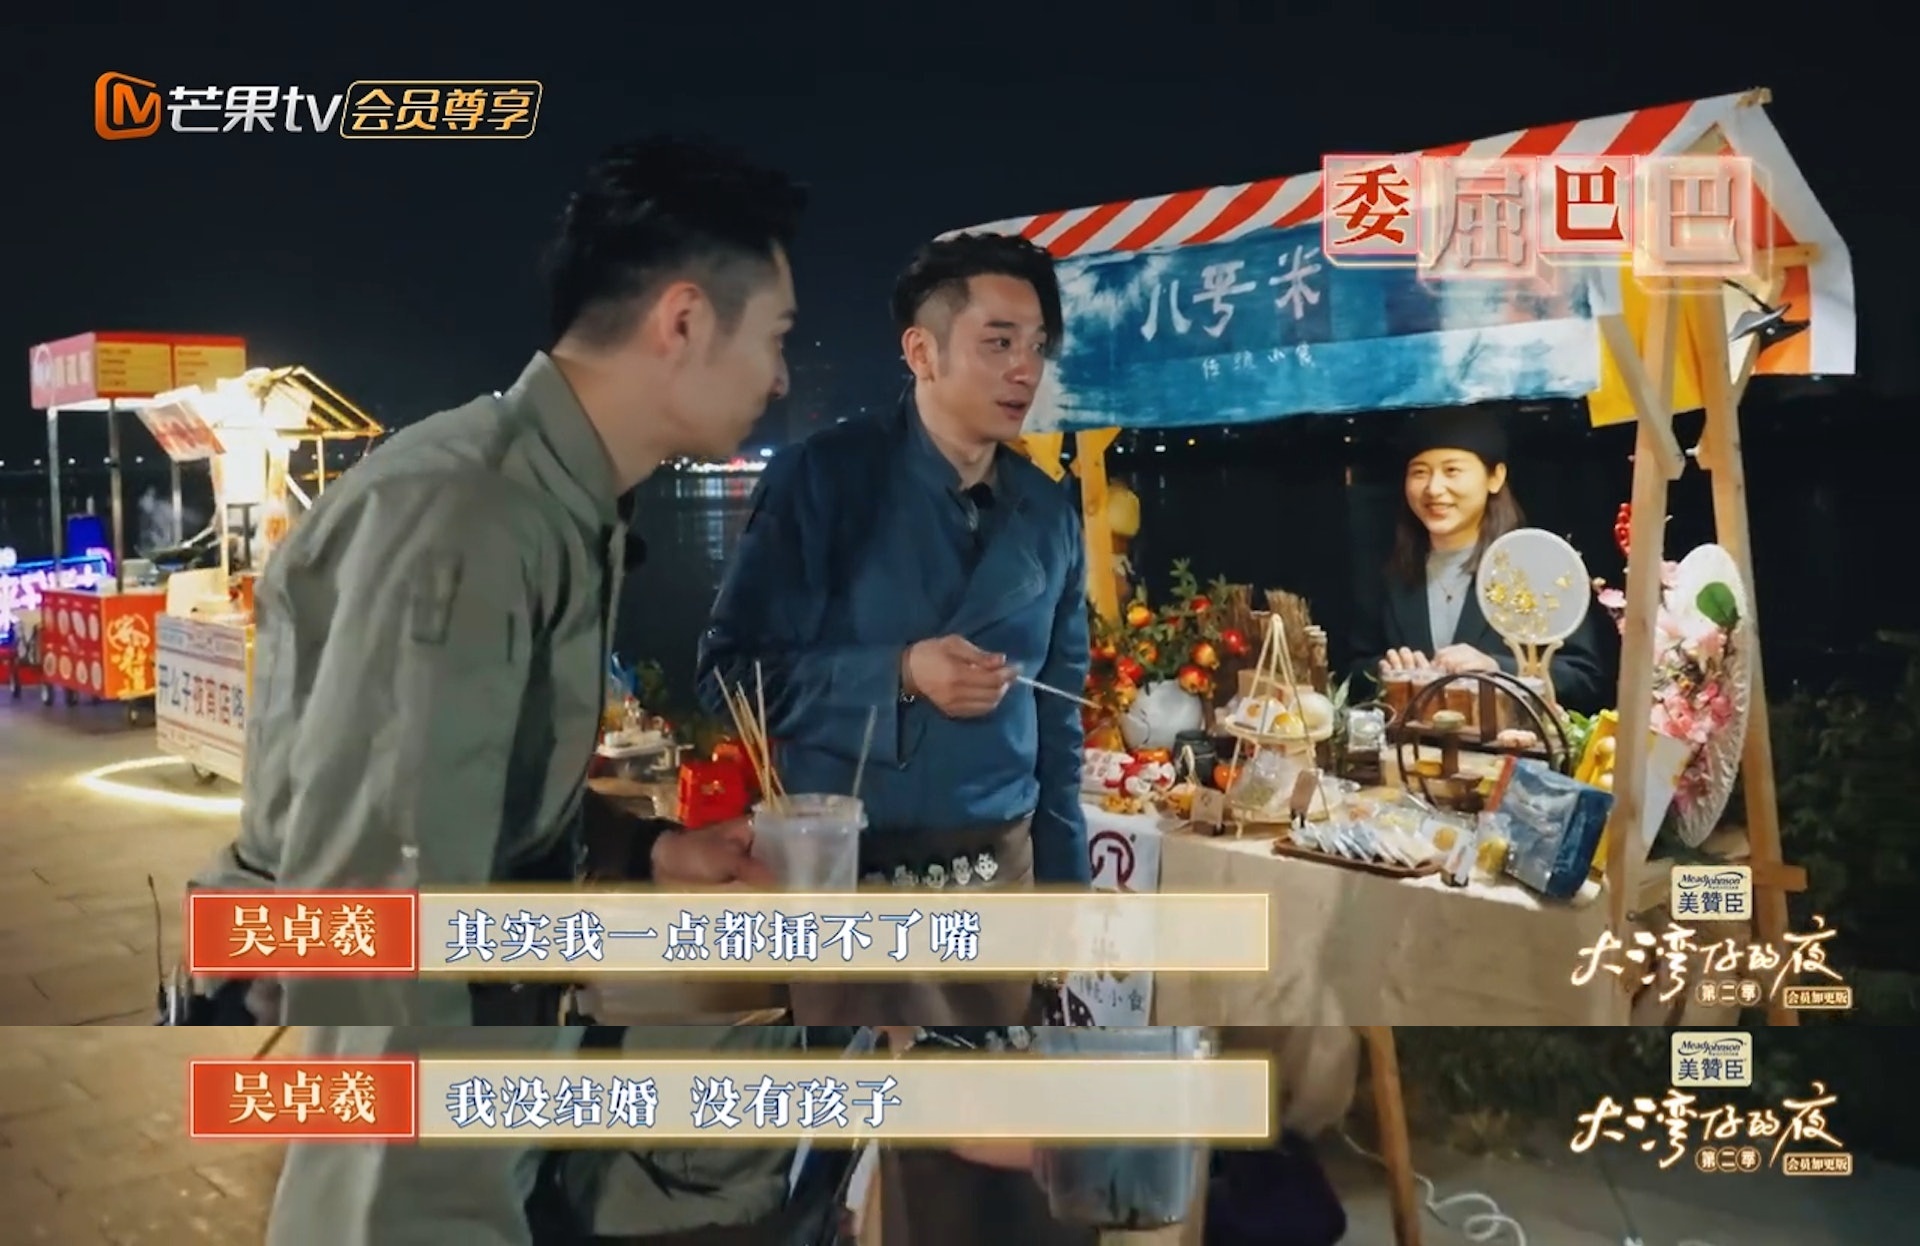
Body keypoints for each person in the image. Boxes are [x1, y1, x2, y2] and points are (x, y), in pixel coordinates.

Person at [184, 133, 801, 1030]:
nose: (781, 379)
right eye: (776, 338)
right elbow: (381, 950)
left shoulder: (552, 500)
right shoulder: (469, 520)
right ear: (685, 321)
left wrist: (651, 851)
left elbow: (480, 802)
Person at [698, 232, 1091, 1026]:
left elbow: (1060, 722)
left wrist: (1066, 888)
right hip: (850, 880)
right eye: (999, 343)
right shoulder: (824, 480)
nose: (1026, 369)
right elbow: (727, 680)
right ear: (922, 352)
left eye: (1037, 346)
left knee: (992, 1096)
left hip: (997, 880)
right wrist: (900, 673)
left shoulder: (1049, 513)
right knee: (858, 1099)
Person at [1349, 407, 1610, 714]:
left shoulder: (1534, 567)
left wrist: (1496, 669)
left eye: (1452, 471)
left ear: (1495, 477)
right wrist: (1388, 672)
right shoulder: (1392, 572)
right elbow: (1353, 671)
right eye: (1419, 472)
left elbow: (1585, 679)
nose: (1434, 489)